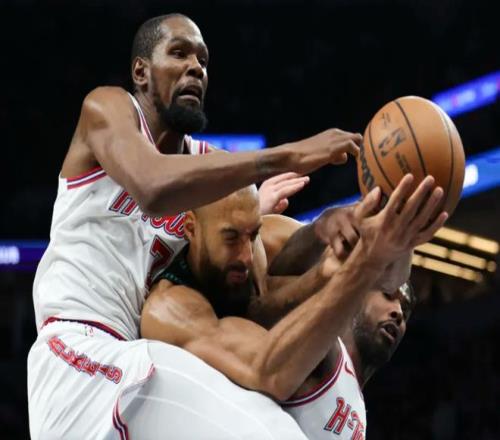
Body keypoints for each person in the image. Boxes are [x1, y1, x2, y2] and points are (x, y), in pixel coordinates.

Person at [27, 12, 367, 439]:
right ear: (141, 72)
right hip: (79, 355)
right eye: (179, 53)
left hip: (135, 362)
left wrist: (283, 220)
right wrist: (287, 155)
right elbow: (152, 186)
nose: (195, 68)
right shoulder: (107, 109)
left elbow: (257, 290)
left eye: (203, 60)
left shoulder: (210, 166)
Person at [142, 174, 445, 438]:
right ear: (191, 229)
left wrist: (393, 208)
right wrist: (364, 265)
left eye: (253, 234)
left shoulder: (258, 244)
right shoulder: (170, 308)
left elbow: (389, 279)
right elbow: (269, 372)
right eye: (231, 237)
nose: (247, 255)